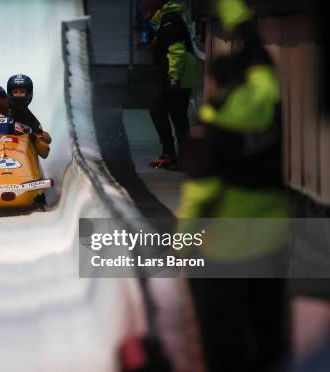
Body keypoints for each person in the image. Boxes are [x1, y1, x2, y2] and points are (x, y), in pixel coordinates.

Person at [178, 0, 290, 371]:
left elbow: (201, 194)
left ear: (213, 85)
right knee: (268, 328)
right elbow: (255, 48)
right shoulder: (267, 98)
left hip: (224, 250)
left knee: (223, 335)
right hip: (273, 240)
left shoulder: (210, 131)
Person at [142, 0, 199, 169]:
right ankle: (182, 158)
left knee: (157, 110)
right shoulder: (168, 20)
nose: (145, 17)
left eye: (146, 12)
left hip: (175, 79)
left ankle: (170, 154)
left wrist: (173, 79)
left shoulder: (169, 22)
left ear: (153, 9)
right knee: (178, 117)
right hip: (178, 78)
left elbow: (177, 52)